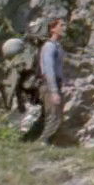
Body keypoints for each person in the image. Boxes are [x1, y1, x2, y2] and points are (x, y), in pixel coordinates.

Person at [33, 17, 67, 145]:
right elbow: (49, 69)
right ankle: (43, 143)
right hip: (49, 84)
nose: (64, 28)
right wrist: (54, 91)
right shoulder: (49, 46)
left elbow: (58, 69)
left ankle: (47, 142)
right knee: (53, 115)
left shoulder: (58, 46)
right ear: (52, 29)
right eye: (61, 25)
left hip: (55, 83)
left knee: (55, 115)